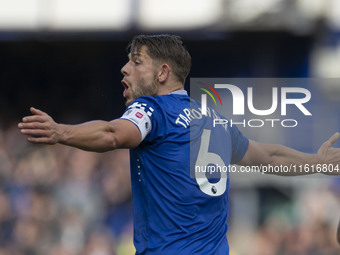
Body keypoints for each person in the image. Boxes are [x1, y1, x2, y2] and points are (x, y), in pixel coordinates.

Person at [18, 34, 340, 255]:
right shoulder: (215, 121)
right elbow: (268, 156)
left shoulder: (151, 111)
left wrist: (62, 133)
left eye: (136, 62)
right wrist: (317, 162)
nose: (125, 68)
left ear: (162, 73)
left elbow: (113, 134)